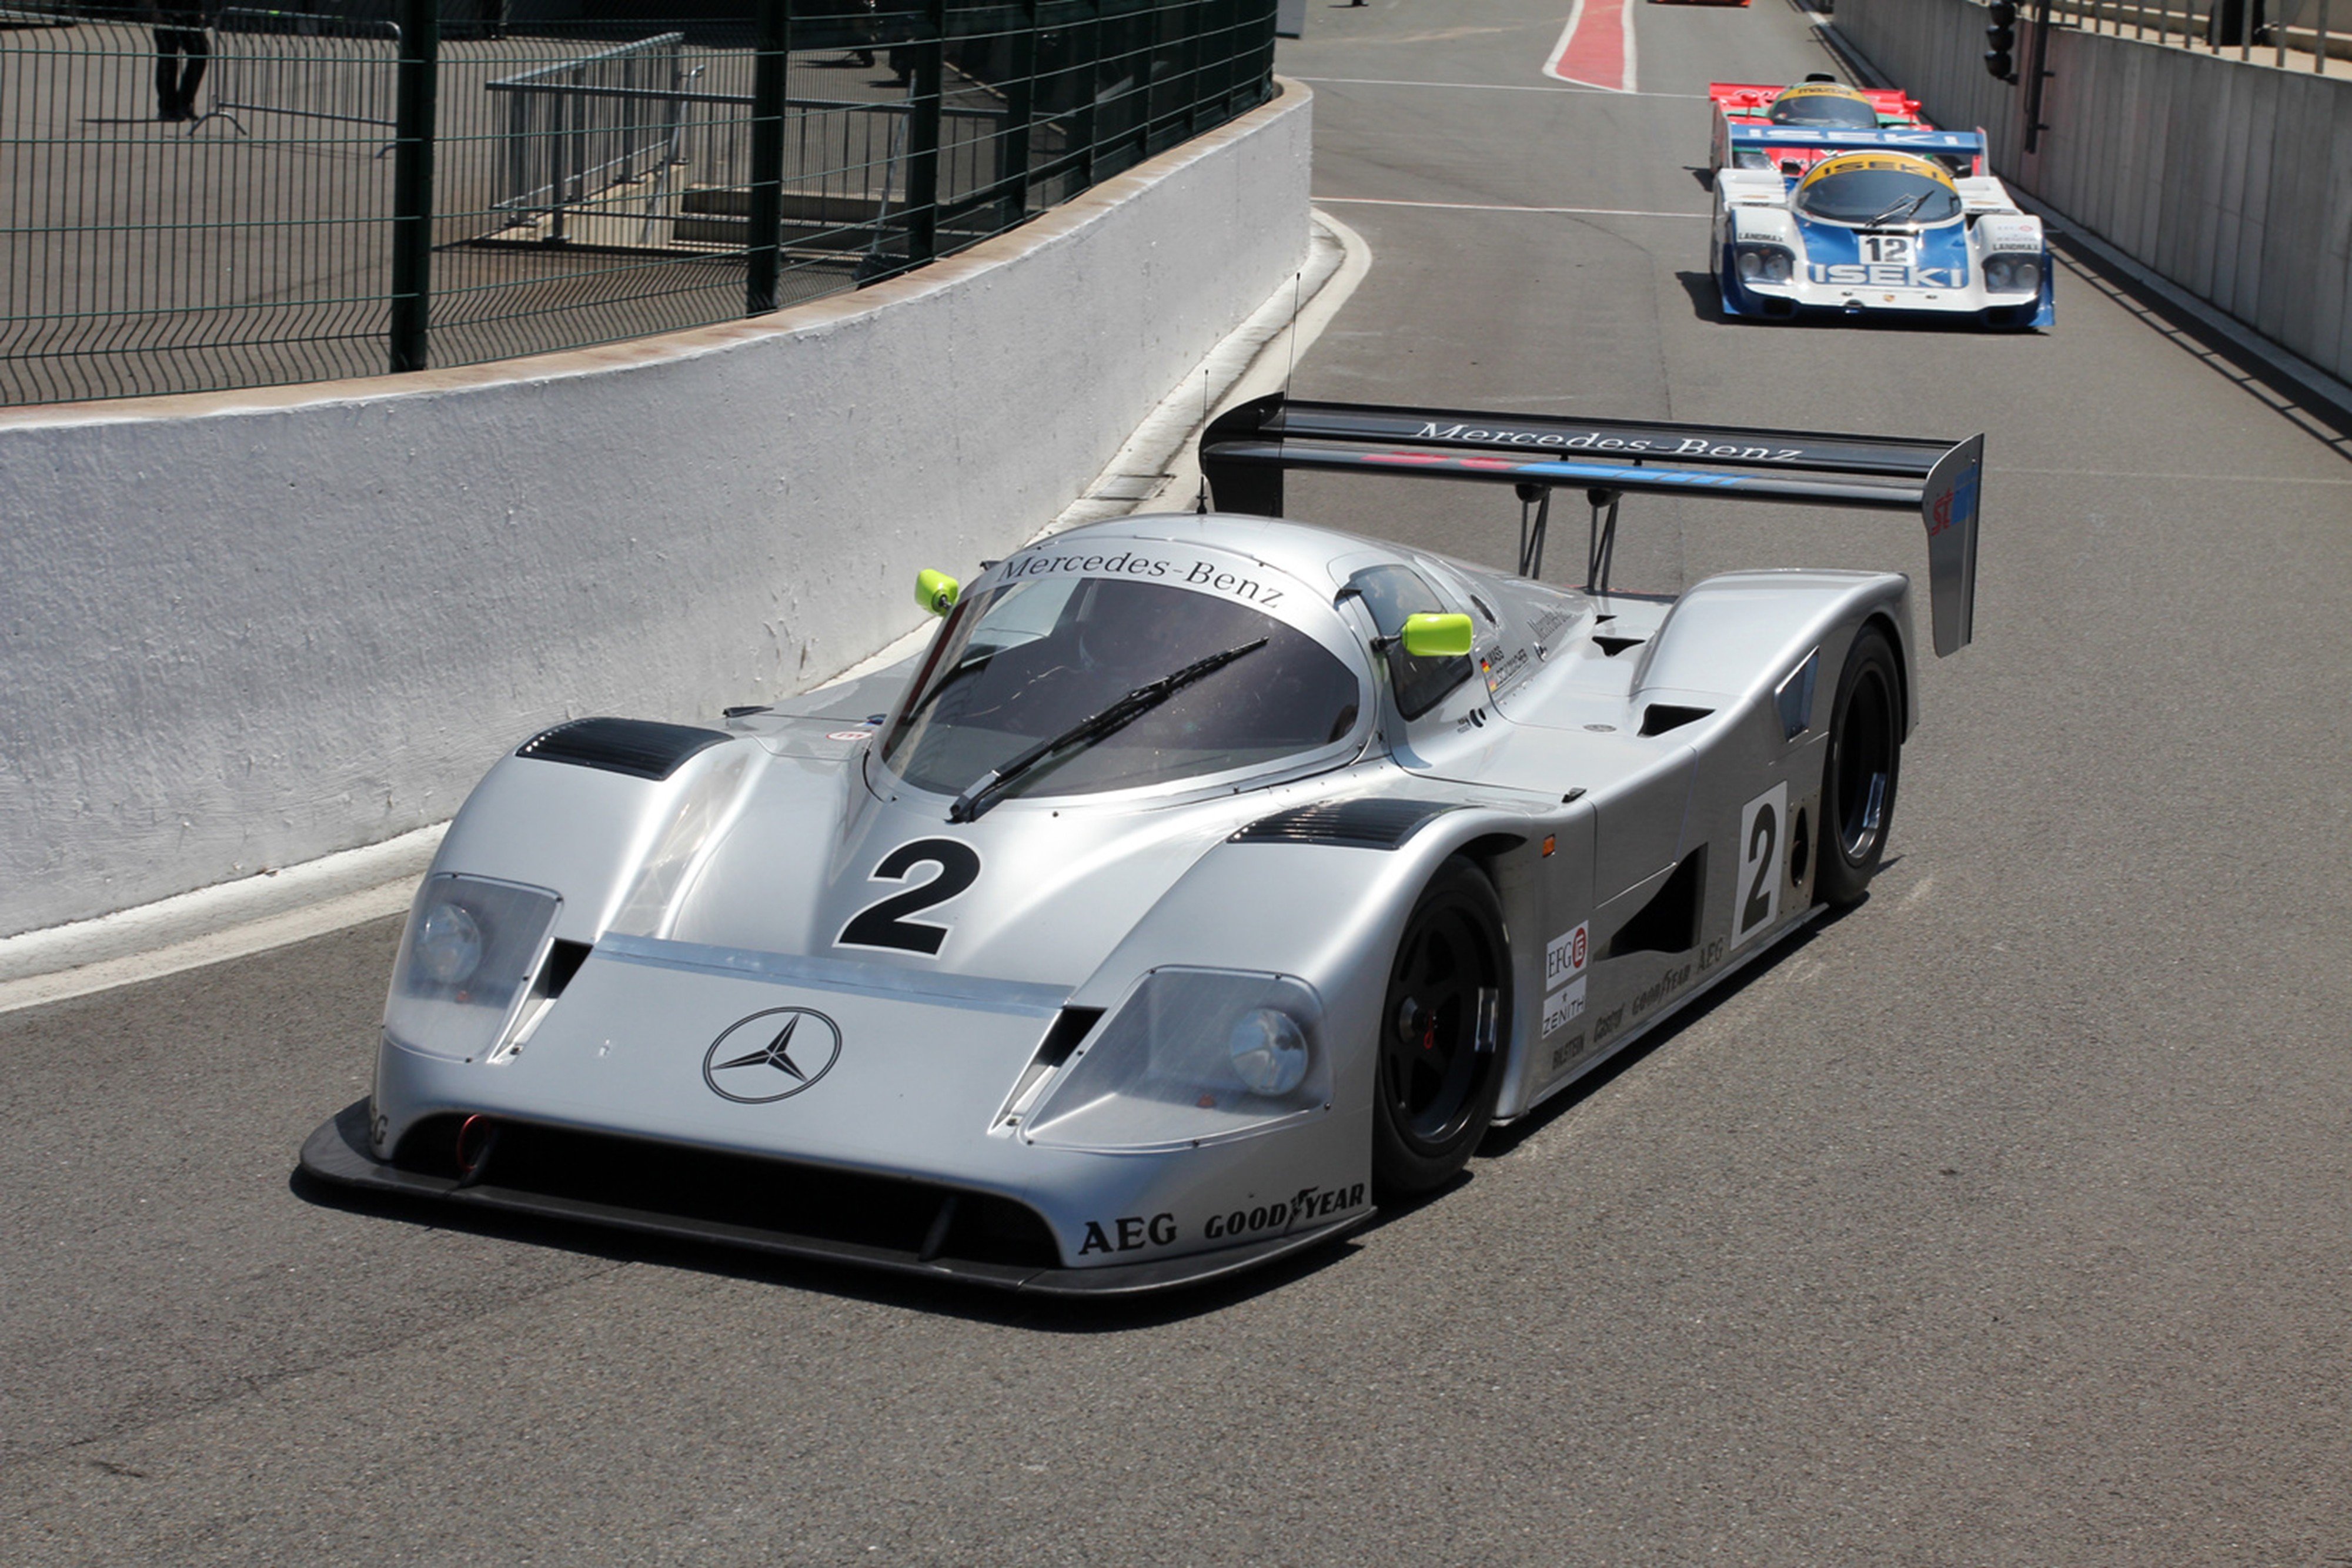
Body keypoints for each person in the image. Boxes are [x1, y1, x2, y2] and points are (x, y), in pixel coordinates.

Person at [153, 0, 211, 123]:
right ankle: (167, 107)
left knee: (199, 54)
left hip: (190, 15)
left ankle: (184, 103)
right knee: (167, 60)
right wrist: (155, 12)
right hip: (166, 14)